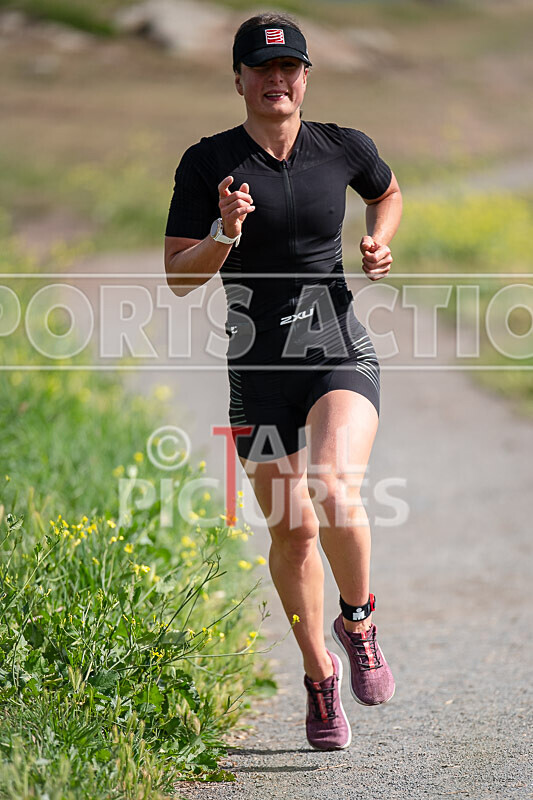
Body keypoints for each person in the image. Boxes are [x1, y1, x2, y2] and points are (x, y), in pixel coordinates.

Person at [164, 12, 403, 752]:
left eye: (288, 68)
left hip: (335, 345)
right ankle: (317, 676)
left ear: (304, 77)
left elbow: (386, 192)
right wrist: (224, 234)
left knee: (334, 486)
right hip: (257, 368)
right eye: (260, 69)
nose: (276, 80)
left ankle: (357, 620)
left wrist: (376, 241)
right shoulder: (208, 164)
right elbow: (176, 277)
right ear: (237, 79)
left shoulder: (343, 147)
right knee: (293, 531)